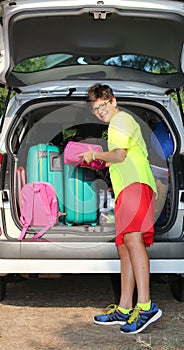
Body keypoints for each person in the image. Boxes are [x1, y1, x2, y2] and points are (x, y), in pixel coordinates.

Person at [79, 84, 162, 334]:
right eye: (95, 109)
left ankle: (146, 306)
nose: (100, 111)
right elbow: (116, 158)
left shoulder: (120, 120)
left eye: (103, 105)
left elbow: (120, 156)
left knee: (133, 241)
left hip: (137, 184)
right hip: (127, 189)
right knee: (124, 246)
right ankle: (125, 308)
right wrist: (98, 160)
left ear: (113, 101)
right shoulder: (115, 126)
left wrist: (95, 153)